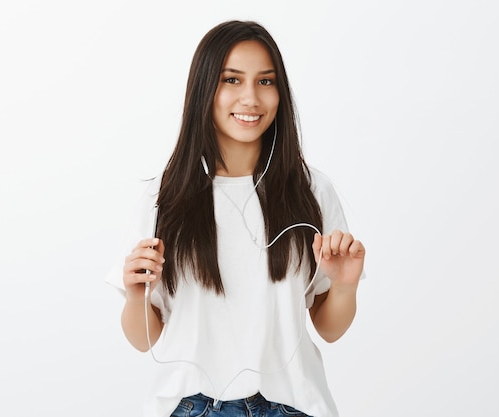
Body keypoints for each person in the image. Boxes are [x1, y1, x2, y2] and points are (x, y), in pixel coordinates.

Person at [106, 20, 366, 417]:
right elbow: (145, 340)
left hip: (292, 404)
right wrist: (137, 292)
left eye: (265, 82)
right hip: (190, 406)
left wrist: (345, 287)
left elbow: (329, 329)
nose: (251, 98)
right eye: (232, 80)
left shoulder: (311, 191)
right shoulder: (164, 197)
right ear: (205, 91)